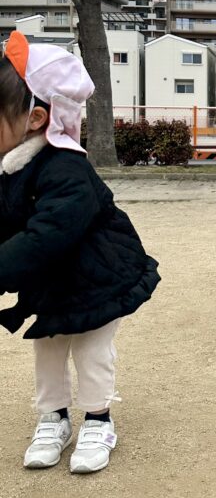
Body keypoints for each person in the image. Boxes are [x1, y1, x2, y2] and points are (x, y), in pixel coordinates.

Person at [0, 32, 160, 473]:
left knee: (91, 351)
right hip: (53, 281)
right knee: (48, 348)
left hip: (98, 278)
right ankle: (53, 418)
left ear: (35, 118)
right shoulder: (12, 166)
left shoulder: (66, 168)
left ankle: (98, 420)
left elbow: (47, 235)